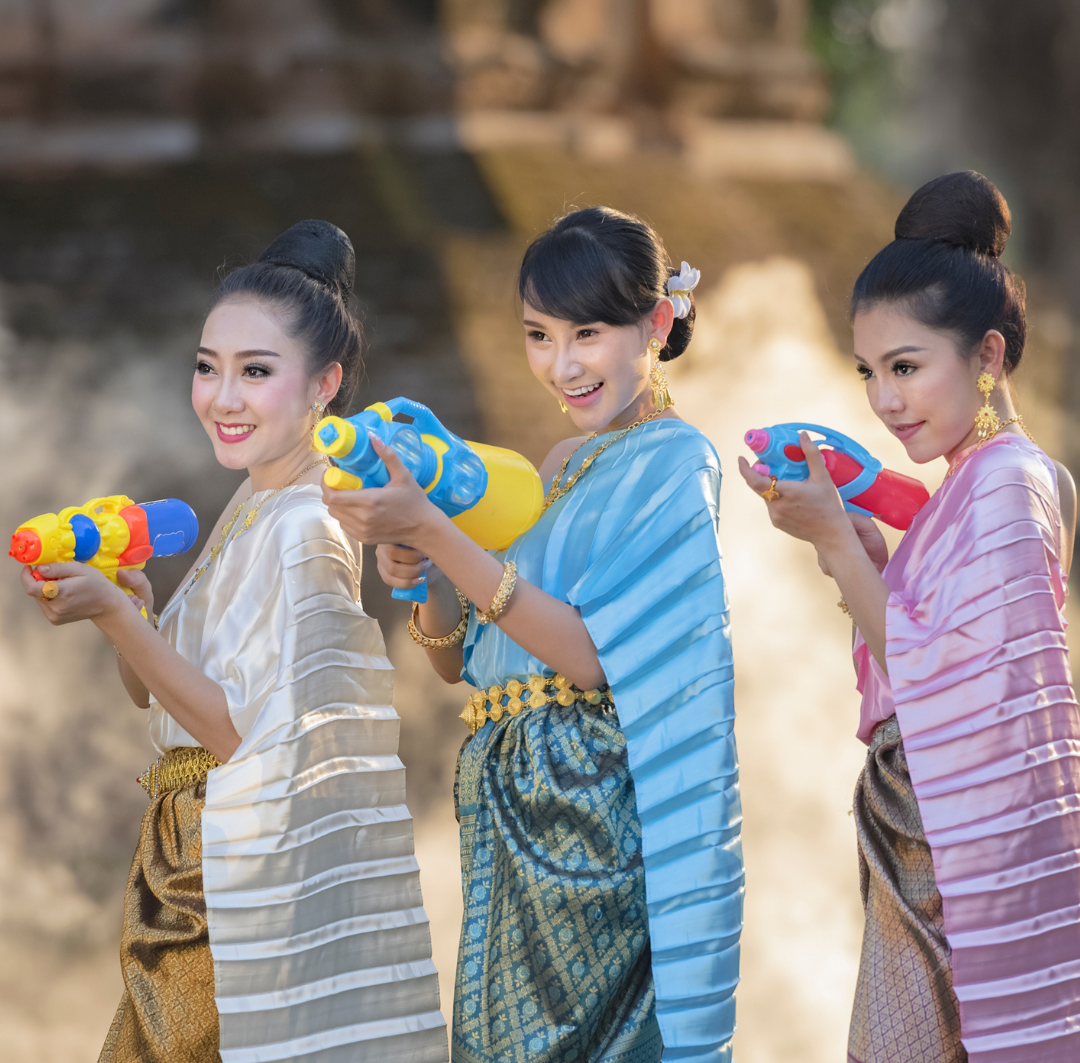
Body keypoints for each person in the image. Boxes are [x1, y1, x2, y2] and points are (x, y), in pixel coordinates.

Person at [322, 206, 742, 1063]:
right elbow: (457, 662)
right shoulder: (553, 466)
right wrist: (423, 566)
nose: (563, 364)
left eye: (587, 332)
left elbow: (587, 658)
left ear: (656, 325)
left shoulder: (676, 460)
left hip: (591, 810)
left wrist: (443, 537)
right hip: (506, 796)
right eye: (538, 336)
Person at [22, 220, 447, 1063]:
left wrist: (112, 614)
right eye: (207, 367)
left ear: (324, 383)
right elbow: (153, 694)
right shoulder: (254, 503)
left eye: (255, 372)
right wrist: (135, 613)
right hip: (181, 852)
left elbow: (241, 738)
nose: (222, 396)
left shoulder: (307, 525)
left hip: (232, 873)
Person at [740, 172, 1080, 1063]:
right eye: (868, 373)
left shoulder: (1008, 482)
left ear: (990, 357)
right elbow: (926, 649)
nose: (885, 402)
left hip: (960, 852)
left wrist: (839, 549)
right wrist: (863, 553)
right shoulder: (962, 486)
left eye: (906, 367)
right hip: (919, 832)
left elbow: (953, 687)